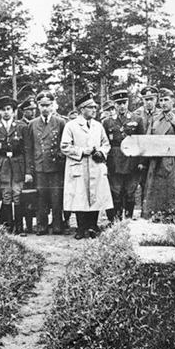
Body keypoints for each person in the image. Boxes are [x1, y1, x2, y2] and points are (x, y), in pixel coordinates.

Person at [61, 92, 113, 240]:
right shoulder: (71, 126)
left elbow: (106, 143)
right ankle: (80, 227)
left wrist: (102, 153)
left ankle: (92, 225)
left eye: (95, 107)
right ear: (82, 109)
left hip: (95, 165)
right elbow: (65, 146)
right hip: (79, 166)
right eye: (91, 107)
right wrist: (82, 151)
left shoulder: (98, 126)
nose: (94, 110)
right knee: (80, 197)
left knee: (95, 195)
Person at [140, 88, 175, 219]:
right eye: (161, 100)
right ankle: (155, 217)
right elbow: (148, 138)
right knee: (155, 191)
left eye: (166, 100)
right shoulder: (155, 118)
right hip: (156, 161)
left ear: (173, 101)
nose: (163, 103)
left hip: (174, 161)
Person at [0, 96, 33, 234]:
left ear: (14, 112)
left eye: (9, 109)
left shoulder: (22, 127)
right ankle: (7, 227)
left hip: (18, 166)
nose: (6, 112)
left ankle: (19, 226)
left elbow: (28, 151)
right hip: (2, 167)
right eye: (3, 110)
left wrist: (29, 172)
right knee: (6, 195)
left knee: (17, 194)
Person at [27, 90, 66, 235]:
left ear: (52, 106)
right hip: (40, 166)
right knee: (41, 197)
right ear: (38, 106)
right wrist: (30, 170)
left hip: (55, 167)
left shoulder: (60, 122)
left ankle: (57, 225)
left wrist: (59, 156)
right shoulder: (32, 124)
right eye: (42, 105)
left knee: (56, 197)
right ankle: (41, 225)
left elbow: (65, 144)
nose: (44, 108)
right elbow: (29, 148)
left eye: (47, 105)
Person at [102, 89, 145, 222]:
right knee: (116, 192)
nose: (121, 106)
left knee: (130, 192)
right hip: (114, 161)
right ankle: (116, 221)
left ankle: (128, 219)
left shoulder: (137, 119)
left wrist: (141, 161)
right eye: (118, 103)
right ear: (114, 104)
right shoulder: (107, 122)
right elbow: (105, 143)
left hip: (131, 161)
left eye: (124, 103)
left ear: (128, 103)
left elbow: (141, 142)